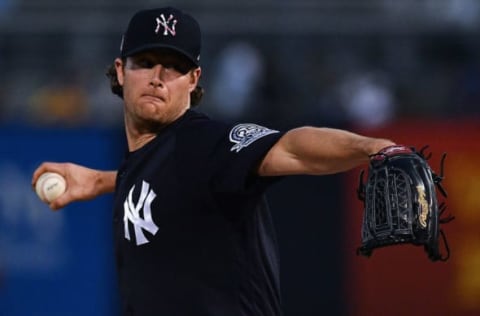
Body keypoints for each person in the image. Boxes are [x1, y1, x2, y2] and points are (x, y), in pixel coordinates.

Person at [32, 7, 395, 316]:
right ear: (121, 70)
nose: (158, 78)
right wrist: (101, 180)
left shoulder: (204, 143)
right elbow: (170, 182)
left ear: (193, 80)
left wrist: (373, 147)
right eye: (145, 62)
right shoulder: (151, 160)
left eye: (173, 67)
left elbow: (291, 148)